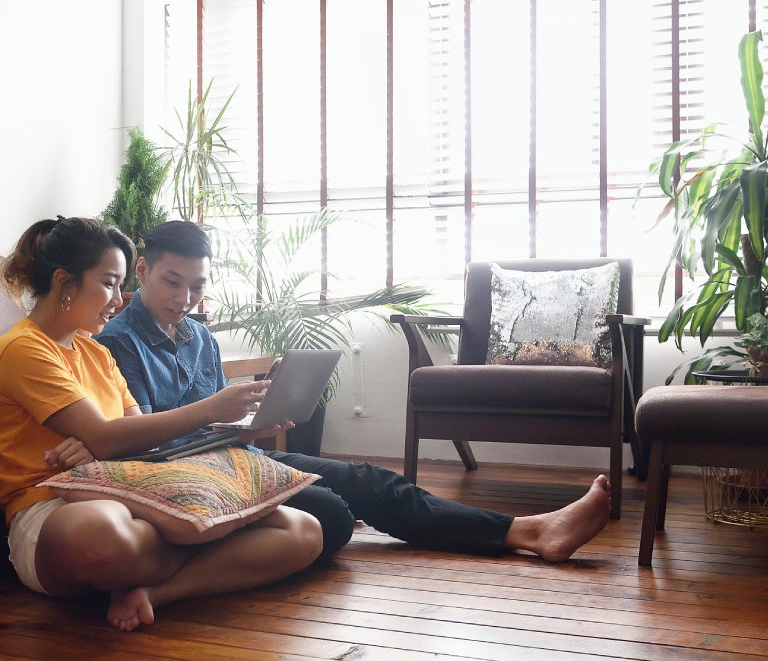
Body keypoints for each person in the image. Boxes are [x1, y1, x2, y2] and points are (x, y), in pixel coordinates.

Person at [95, 220, 612, 563]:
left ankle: (528, 530)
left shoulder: (200, 336)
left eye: (198, 286)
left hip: (234, 462)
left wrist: (256, 423)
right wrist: (219, 418)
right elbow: (144, 446)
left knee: (367, 480)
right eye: (172, 282)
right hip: (189, 481)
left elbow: (214, 429)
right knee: (337, 514)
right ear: (141, 271)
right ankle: (524, 531)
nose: (186, 298)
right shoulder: (116, 344)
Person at [0, 216, 324, 632]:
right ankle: (218, 542)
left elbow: (135, 440)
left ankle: (156, 592)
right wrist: (207, 409)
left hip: (124, 487)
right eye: (108, 283)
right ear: (64, 282)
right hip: (48, 505)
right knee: (106, 534)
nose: (119, 300)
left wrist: (101, 444)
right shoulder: (22, 349)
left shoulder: (95, 353)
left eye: (121, 285)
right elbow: (108, 435)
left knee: (304, 530)